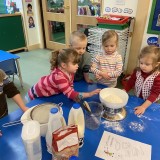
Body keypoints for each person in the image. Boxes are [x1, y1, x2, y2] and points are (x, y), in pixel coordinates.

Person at [27, 48, 101, 102]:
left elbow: (70, 85)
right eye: (74, 64)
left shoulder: (70, 71)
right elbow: (70, 93)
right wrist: (89, 94)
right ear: (64, 65)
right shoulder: (59, 77)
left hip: (45, 90)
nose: (77, 66)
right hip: (35, 93)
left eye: (77, 63)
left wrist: (74, 95)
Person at [124, 45, 160, 115]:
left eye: (147, 64)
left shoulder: (157, 77)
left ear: (156, 64)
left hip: (150, 102)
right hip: (138, 98)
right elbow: (131, 82)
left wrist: (143, 107)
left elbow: (155, 93)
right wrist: (125, 90)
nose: (143, 66)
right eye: (141, 63)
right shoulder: (137, 71)